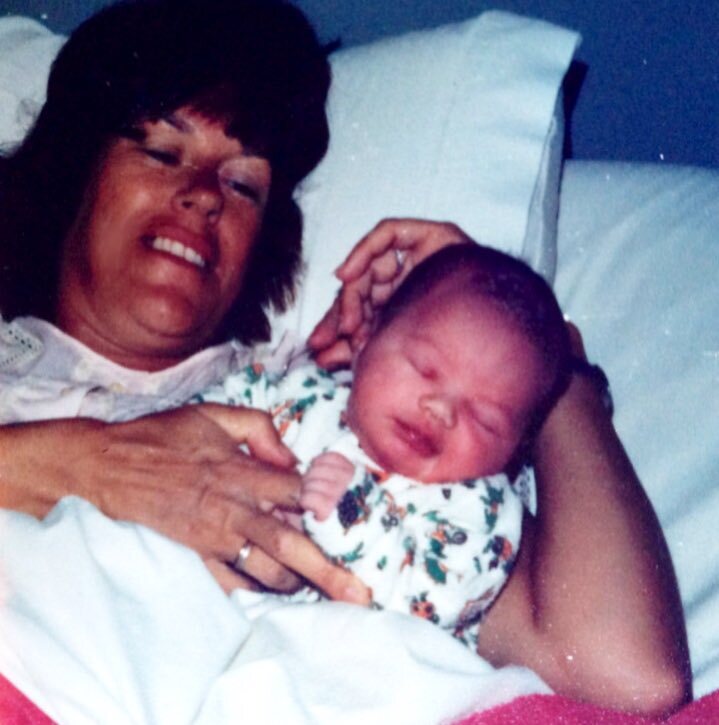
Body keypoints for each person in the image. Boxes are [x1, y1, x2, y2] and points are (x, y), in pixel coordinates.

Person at [0, 0, 690, 716]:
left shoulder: (319, 424)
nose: (204, 197)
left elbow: (628, 674)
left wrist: (527, 354)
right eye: (162, 152)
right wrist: (86, 465)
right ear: (76, 170)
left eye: (243, 185)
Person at [198, 242, 571, 648]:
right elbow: (191, 432)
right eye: (424, 369)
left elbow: (426, 606)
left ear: (514, 454)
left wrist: (352, 514)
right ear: (366, 342)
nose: (441, 410)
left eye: (484, 420)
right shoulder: (299, 396)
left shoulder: (480, 513)